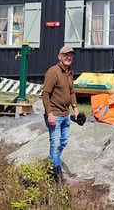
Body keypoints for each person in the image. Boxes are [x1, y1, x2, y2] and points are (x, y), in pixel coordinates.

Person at [41, 45, 80, 184]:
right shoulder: (53, 72)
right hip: (55, 115)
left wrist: (75, 108)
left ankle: (54, 161)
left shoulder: (69, 72)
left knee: (63, 142)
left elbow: (71, 92)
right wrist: (49, 114)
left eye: (70, 55)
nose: (68, 57)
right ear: (60, 57)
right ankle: (57, 175)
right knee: (56, 144)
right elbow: (45, 94)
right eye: (65, 55)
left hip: (65, 114)